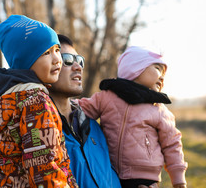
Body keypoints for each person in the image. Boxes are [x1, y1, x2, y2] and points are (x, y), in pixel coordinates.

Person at [0, 15, 78, 188]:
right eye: (46, 53)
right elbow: (45, 169)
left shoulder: (4, 101)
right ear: (25, 60)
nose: (58, 59)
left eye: (57, 49)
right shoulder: (35, 103)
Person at [78, 46, 188, 188]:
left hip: (144, 178)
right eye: (157, 68)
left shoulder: (158, 108)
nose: (162, 77)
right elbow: (80, 108)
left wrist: (178, 178)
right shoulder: (107, 97)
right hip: (108, 170)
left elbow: (172, 143)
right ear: (136, 69)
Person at [48, 34, 122, 188]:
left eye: (79, 61)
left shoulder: (94, 127)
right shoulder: (32, 130)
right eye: (67, 60)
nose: (78, 67)